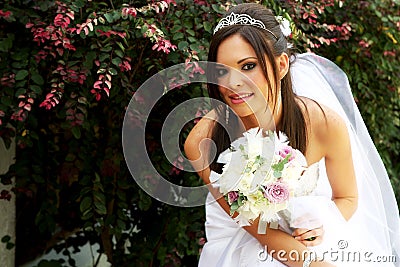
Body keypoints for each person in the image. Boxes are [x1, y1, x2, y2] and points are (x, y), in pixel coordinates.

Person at [184, 3, 400, 267]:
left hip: (307, 242)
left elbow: (348, 197)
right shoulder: (202, 142)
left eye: (248, 66)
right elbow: (260, 232)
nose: (233, 83)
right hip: (242, 248)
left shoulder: (324, 124)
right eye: (221, 71)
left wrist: (322, 225)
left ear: (282, 64)